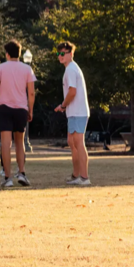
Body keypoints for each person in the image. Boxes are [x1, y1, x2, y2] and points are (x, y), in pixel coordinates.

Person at [0, 40, 36, 188]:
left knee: (6, 144)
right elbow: (31, 92)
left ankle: (7, 177)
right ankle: (22, 172)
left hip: (4, 108)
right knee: (20, 142)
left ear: (7, 54)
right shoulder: (27, 69)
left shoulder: (1, 68)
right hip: (21, 108)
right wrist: (30, 109)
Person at [54, 42, 91, 186]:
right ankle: (76, 175)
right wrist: (64, 107)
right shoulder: (71, 68)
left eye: (63, 53)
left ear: (71, 54)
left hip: (77, 112)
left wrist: (63, 105)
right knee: (72, 142)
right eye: (59, 54)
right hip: (74, 112)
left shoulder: (70, 69)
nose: (60, 56)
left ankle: (84, 177)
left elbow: (72, 91)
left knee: (78, 143)